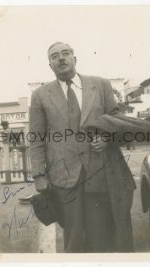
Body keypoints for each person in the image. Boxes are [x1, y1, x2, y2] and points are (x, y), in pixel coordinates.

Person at [30, 42, 136, 253]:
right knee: (74, 237)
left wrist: (107, 139)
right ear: (50, 65)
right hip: (63, 175)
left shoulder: (101, 85)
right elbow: (36, 137)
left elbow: (116, 121)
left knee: (102, 235)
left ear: (74, 59)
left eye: (65, 53)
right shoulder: (40, 95)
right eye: (54, 56)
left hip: (99, 170)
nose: (61, 58)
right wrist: (39, 174)